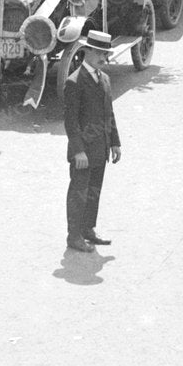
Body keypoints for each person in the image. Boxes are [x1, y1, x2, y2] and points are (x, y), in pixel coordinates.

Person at [61, 30, 122, 253]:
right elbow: (70, 121)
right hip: (83, 152)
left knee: (94, 190)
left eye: (105, 53)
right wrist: (78, 151)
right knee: (79, 193)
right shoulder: (74, 82)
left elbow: (109, 113)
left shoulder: (104, 79)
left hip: (101, 148)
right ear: (87, 51)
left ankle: (88, 229)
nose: (102, 57)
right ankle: (74, 235)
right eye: (98, 52)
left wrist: (115, 142)